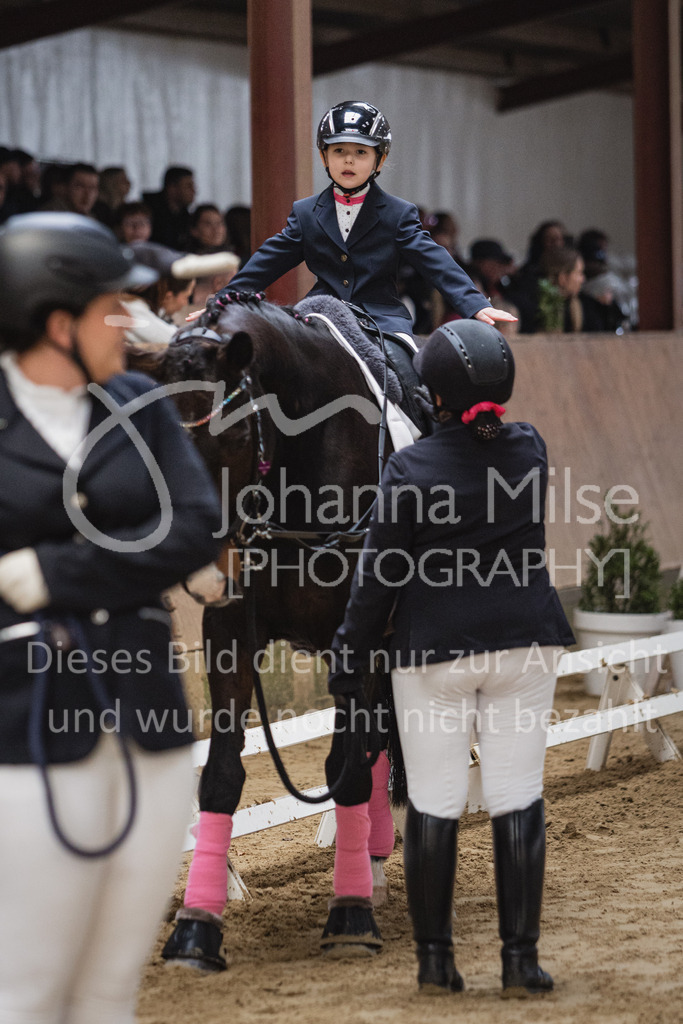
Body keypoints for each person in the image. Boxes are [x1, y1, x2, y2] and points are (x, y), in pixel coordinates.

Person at [0, 211, 224, 1023]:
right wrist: (129, 554)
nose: (130, 323)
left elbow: (195, 528)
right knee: (27, 992)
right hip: (23, 735)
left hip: (149, 728)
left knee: (108, 994)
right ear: (56, 324)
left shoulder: (140, 401)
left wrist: (48, 570)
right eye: (110, 307)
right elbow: (157, 539)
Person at [326, 319, 575, 996]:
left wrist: (348, 656)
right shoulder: (530, 449)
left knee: (434, 802)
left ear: (432, 394)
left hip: (434, 651)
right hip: (523, 643)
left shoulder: (408, 468)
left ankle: (436, 962)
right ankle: (519, 960)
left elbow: (376, 580)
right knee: (516, 795)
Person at [220, 101, 516, 344]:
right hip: (321, 313)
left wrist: (475, 304)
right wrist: (223, 300)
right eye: (339, 152)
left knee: (410, 373)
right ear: (324, 157)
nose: (348, 161)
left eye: (360, 152)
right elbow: (269, 260)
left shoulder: (398, 213)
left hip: (383, 317)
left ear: (380, 161)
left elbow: (435, 262)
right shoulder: (305, 212)